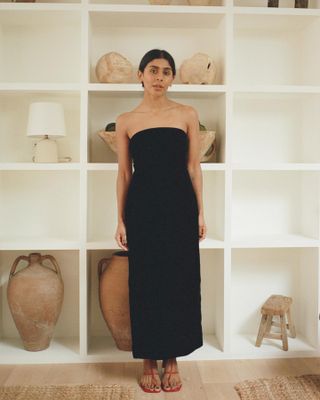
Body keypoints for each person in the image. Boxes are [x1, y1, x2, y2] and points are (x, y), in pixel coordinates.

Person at [115, 48, 207, 393]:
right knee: (146, 282)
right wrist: (121, 220)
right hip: (143, 209)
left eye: (166, 71)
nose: (159, 77)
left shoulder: (186, 114)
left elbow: (193, 168)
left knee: (181, 281)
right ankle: (148, 361)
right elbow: (124, 173)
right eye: (152, 70)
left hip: (180, 207)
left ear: (172, 78)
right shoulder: (126, 120)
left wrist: (200, 212)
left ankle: (173, 358)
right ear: (140, 75)